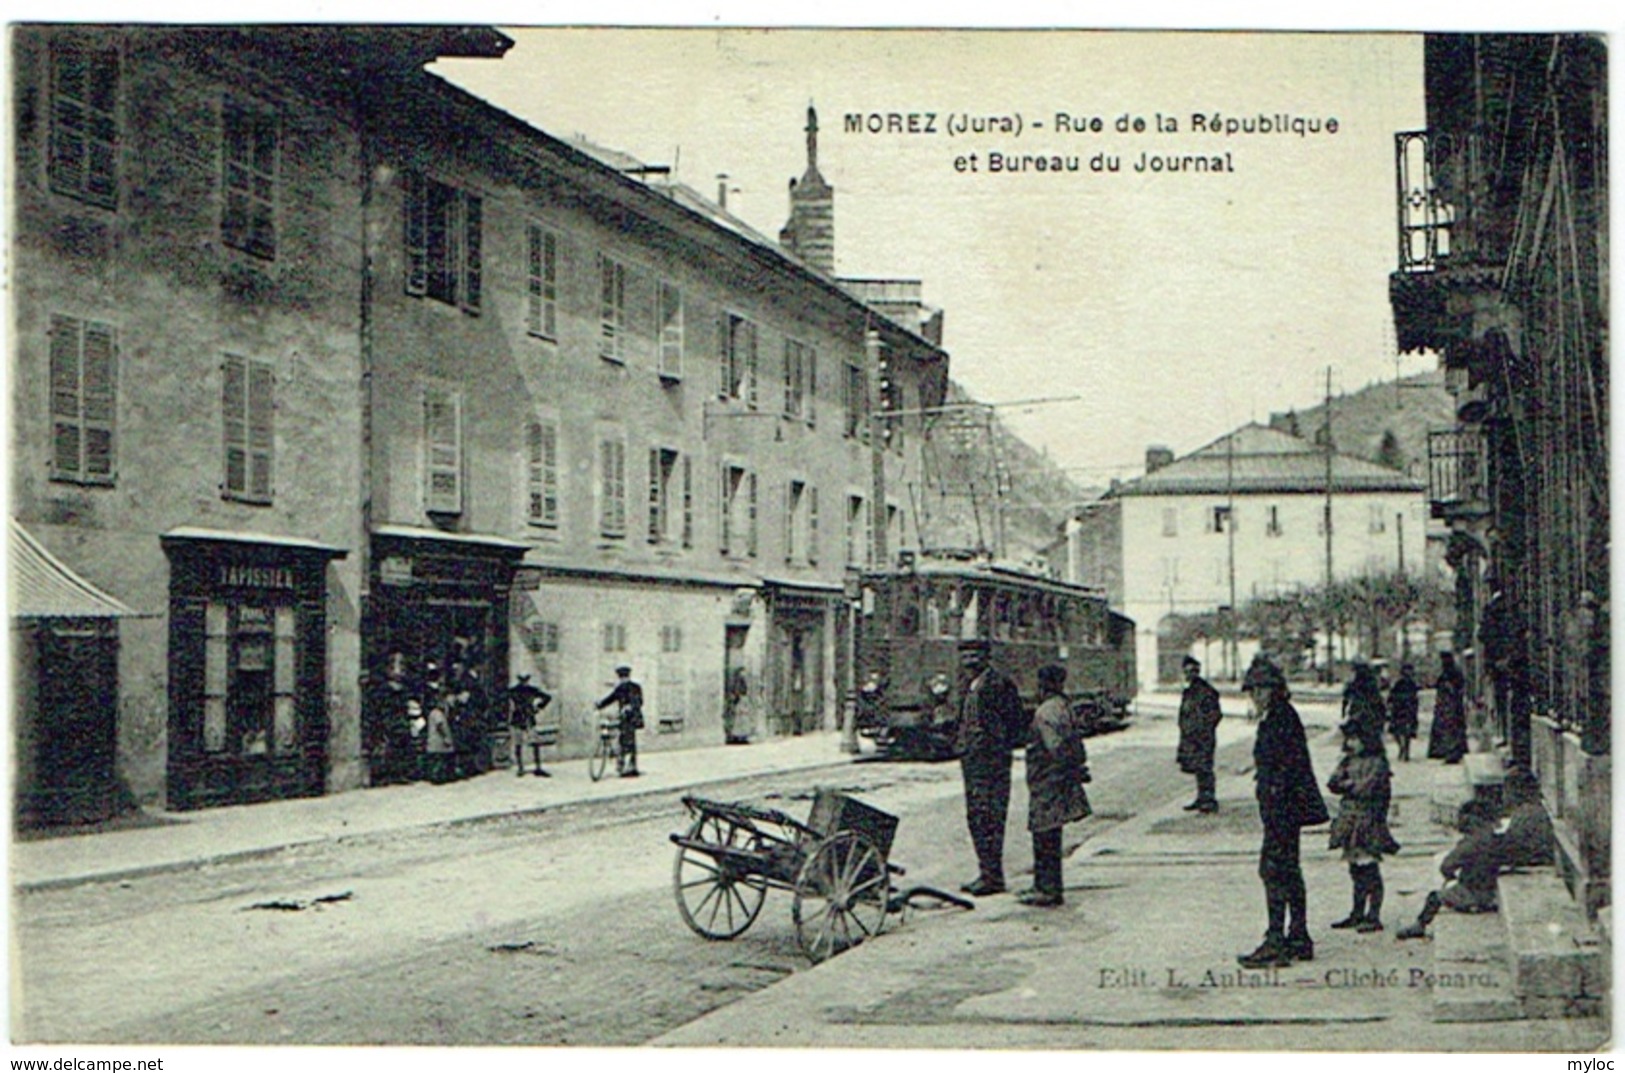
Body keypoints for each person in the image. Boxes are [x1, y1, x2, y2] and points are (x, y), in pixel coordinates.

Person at [1239, 659, 1329, 968]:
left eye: (1261, 690)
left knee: (1273, 870)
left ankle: (1276, 940)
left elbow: (1284, 768)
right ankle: (1299, 936)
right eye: (1253, 691)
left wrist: (1272, 796)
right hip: (1285, 807)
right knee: (1289, 869)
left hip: (1282, 808)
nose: (1256, 696)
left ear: (1274, 690)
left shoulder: (1278, 719)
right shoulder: (1282, 716)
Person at [1396, 767, 1553, 939]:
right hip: (1519, 865)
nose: (1504, 796)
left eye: (1506, 791)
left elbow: (1448, 865)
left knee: (1436, 896)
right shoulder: (1531, 811)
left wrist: (1453, 875)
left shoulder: (1484, 836)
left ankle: (1420, 924)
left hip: (1481, 889)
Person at [954, 639, 1027, 897]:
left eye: (975, 656)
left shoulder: (999, 685)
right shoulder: (967, 685)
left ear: (986, 658)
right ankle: (986, 873)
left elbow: (1016, 722)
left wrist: (996, 745)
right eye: (965, 657)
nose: (969, 662)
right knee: (976, 816)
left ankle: (993, 877)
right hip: (972, 760)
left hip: (991, 761)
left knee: (990, 816)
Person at [1019, 664, 1092, 908]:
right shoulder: (1064, 707)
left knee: (1044, 834)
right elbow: (1075, 745)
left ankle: (1047, 890)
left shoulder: (1044, 712)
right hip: (1056, 779)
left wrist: (1063, 771)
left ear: (1043, 684)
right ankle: (1044, 885)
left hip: (1047, 780)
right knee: (1050, 833)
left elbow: (1056, 748)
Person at [1326, 722, 1401, 932]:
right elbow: (1332, 783)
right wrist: (1347, 785)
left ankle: (1373, 915)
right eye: (1348, 739)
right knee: (1355, 869)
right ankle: (1357, 912)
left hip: (1368, 821)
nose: (1350, 743)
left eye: (1354, 738)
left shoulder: (1378, 764)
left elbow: (1365, 789)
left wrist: (1347, 785)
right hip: (1351, 821)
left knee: (1369, 868)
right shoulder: (1348, 760)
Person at [1176, 655, 1223, 813]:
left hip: (1203, 737)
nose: (1188, 675)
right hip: (1191, 737)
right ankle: (1201, 797)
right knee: (1198, 768)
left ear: (1197, 672)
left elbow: (1215, 714)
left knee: (1205, 767)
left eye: (1191, 671)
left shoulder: (1206, 691)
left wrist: (1205, 729)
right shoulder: (1189, 692)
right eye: (1186, 672)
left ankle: (1209, 800)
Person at [596, 665, 644, 777]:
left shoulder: (635, 687)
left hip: (632, 718)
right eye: (621, 677)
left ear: (628, 676)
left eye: (624, 677)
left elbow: (639, 701)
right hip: (623, 718)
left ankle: (631, 767)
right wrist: (600, 704)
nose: (623, 679)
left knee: (629, 742)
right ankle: (623, 765)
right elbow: (611, 698)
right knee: (623, 740)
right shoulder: (620, 688)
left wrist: (629, 707)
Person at [507, 674, 553, 776]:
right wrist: (538, 707)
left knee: (520, 744)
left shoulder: (513, 691)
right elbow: (547, 697)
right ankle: (535, 767)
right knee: (531, 743)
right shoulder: (531, 690)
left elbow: (547, 697)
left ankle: (522, 768)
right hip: (526, 717)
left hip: (519, 718)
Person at [1427, 651, 1468, 763]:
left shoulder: (1454, 672)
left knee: (1452, 729)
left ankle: (1453, 752)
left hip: (1452, 706)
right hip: (1445, 706)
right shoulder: (1446, 672)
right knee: (1445, 729)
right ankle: (1444, 751)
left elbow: (1458, 688)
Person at [1341, 659, 1387, 747]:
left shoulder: (1355, 682)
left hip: (1362, 709)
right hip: (1369, 710)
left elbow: (1346, 696)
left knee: (1354, 727)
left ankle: (1349, 743)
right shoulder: (1371, 681)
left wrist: (1344, 710)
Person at [1387, 663, 1421, 761]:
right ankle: (1401, 747)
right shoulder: (1398, 683)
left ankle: (1406, 750)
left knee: (1408, 732)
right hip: (1398, 709)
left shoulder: (1412, 684)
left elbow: (1415, 697)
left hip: (1409, 709)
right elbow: (1392, 695)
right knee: (1397, 731)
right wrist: (1391, 704)